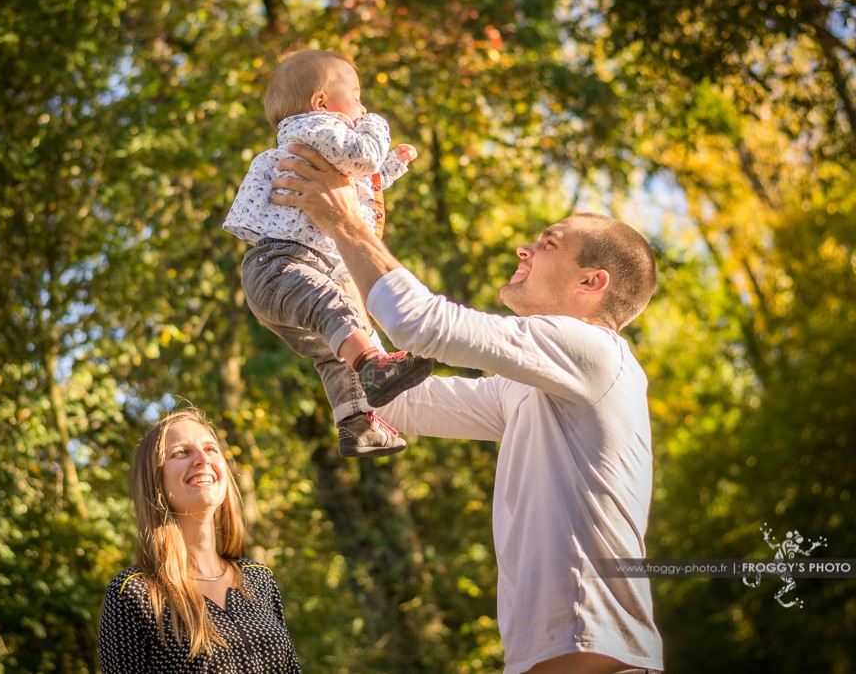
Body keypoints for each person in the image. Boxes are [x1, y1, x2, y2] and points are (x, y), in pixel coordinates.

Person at [270, 145, 664, 674]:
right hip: (549, 658)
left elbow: (421, 322)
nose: (524, 250)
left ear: (591, 282)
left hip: (597, 658)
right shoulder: (527, 391)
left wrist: (346, 222)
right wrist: (324, 300)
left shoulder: (596, 352)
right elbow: (397, 402)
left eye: (547, 244)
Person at [223, 47, 433, 459]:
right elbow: (361, 156)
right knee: (338, 309)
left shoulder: (316, 144)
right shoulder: (316, 127)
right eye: (356, 95)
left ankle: (356, 423)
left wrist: (391, 166)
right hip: (285, 266)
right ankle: (374, 366)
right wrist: (377, 126)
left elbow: (358, 177)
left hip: (284, 275)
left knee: (335, 349)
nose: (363, 105)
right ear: (322, 102)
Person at [97, 407, 302, 673]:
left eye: (211, 449)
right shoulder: (135, 594)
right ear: (154, 480)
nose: (202, 459)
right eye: (181, 452)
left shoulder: (259, 579)